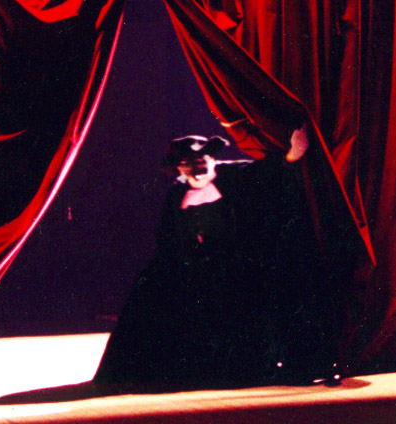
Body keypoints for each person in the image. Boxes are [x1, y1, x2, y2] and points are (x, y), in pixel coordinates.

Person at [93, 127, 338, 388]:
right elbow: (167, 236)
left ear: (212, 159)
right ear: (178, 168)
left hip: (234, 264)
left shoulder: (235, 175)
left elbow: (267, 173)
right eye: (187, 164)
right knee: (151, 293)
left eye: (202, 161)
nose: (196, 169)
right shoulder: (176, 192)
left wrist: (292, 154)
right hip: (191, 267)